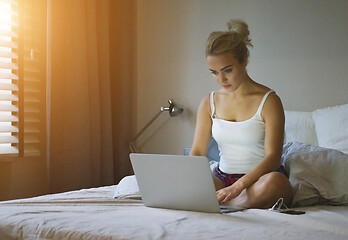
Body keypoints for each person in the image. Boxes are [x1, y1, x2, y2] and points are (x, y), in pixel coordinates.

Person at [190, 19, 293, 209]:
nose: (221, 79)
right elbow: (197, 152)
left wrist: (238, 187)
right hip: (222, 179)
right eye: (213, 72)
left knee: (277, 184)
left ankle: (224, 204)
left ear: (244, 60)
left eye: (227, 70)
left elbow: (273, 157)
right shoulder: (208, 102)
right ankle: (231, 204)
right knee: (186, 177)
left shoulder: (269, 101)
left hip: (261, 180)